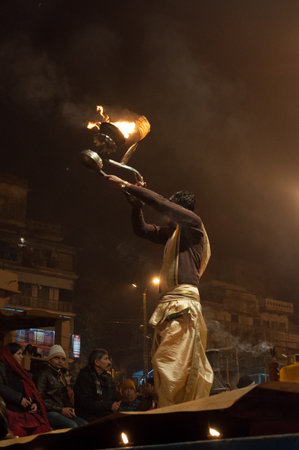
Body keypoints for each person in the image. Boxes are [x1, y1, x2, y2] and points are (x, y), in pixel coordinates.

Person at [106, 176, 214, 407]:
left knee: (172, 364)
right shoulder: (173, 234)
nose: (167, 214)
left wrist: (128, 185)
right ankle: (170, 411)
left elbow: (163, 204)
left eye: (172, 208)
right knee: (164, 365)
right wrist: (136, 206)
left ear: (180, 209)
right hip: (169, 305)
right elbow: (142, 230)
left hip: (183, 306)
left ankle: (182, 414)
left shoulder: (193, 224)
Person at [0, 342, 50, 437]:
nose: (22, 357)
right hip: (11, 411)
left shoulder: (21, 372)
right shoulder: (2, 368)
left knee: (42, 429)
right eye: (18, 354)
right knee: (19, 433)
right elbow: (1, 387)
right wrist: (19, 399)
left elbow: (30, 391)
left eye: (22, 354)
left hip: (25, 411)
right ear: (9, 355)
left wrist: (35, 403)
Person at [37, 345, 87, 429]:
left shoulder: (61, 375)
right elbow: (40, 399)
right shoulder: (43, 374)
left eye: (63, 359)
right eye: (57, 358)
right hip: (49, 412)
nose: (60, 361)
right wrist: (60, 409)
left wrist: (70, 409)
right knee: (73, 426)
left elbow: (65, 396)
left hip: (61, 410)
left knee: (85, 424)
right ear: (50, 359)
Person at [74, 348, 121, 422]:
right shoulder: (85, 377)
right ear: (97, 362)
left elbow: (114, 395)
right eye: (106, 359)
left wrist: (118, 402)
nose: (109, 362)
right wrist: (109, 406)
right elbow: (86, 403)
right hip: (88, 417)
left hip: (105, 414)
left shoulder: (107, 377)